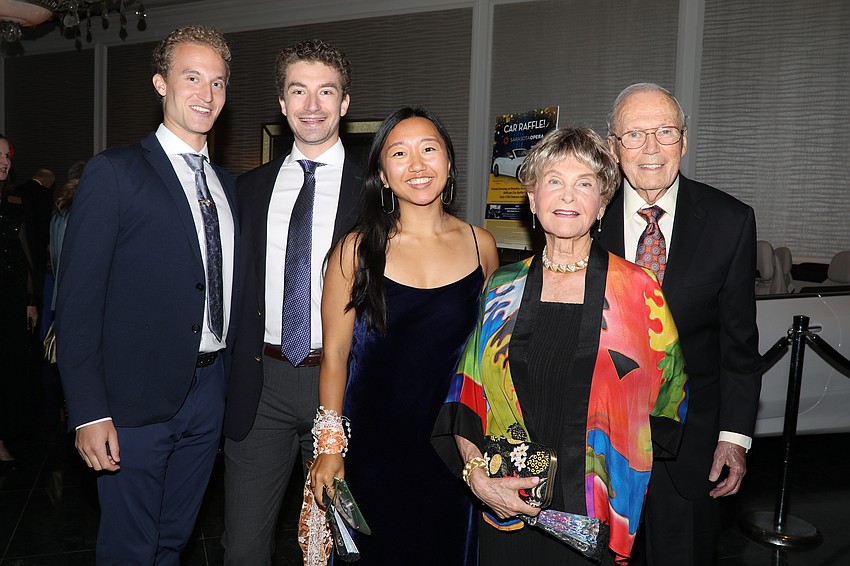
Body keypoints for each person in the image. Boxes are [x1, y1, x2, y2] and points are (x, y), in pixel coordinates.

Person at [432, 127, 689, 565]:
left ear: (602, 203)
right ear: (532, 199)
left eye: (584, 183)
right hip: (507, 504)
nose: (567, 196)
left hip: (596, 512)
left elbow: (669, 403)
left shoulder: (638, 292)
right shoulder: (502, 288)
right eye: (553, 181)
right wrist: (478, 477)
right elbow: (465, 397)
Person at [56, 26, 237, 564]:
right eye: (192, 77)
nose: (206, 94)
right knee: (129, 549)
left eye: (219, 83)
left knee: (173, 542)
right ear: (161, 83)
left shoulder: (227, 186)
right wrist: (88, 411)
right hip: (131, 404)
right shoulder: (114, 172)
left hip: (209, 395)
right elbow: (77, 302)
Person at [310, 107, 499, 564]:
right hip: (372, 447)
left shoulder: (482, 246)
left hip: (452, 447)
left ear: (449, 163)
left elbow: (489, 355)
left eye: (428, 149)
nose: (417, 165)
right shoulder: (355, 250)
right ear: (382, 173)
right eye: (400, 153)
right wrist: (329, 449)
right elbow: (335, 354)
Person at [597, 83, 764, 566]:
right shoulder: (583, 216)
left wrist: (734, 438)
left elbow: (738, 345)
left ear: (684, 141)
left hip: (691, 451)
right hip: (598, 449)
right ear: (613, 146)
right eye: (634, 135)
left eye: (664, 132)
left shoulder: (730, 221)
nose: (650, 148)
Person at [221, 39, 362, 565]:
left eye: (325, 91)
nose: (311, 105)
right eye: (298, 91)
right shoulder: (248, 189)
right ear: (281, 104)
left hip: (346, 385)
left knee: (339, 547)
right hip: (262, 385)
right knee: (245, 545)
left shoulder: (377, 190)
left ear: (345, 103)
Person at [0, 133, 38, 472]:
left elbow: (24, 254)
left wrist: (29, 300)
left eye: (7, 155)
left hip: (11, 299)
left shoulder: (13, 202)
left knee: (10, 368)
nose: (5, 161)